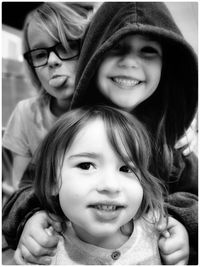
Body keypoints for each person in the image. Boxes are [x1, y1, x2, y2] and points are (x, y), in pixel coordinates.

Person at [3, 1, 198, 265]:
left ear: (168, 67)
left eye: (149, 50)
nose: (130, 62)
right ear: (93, 55)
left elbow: (194, 198)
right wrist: (31, 216)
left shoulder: (172, 149)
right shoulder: (68, 135)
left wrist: (181, 222)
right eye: (117, 46)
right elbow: (25, 189)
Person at [18, 105, 181, 264]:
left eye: (126, 168)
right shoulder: (42, 250)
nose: (110, 185)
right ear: (51, 181)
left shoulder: (163, 232)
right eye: (86, 165)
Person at [2, 2, 89, 190]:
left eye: (66, 47)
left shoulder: (109, 114)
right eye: (40, 55)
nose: (52, 61)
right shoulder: (25, 113)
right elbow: (21, 190)